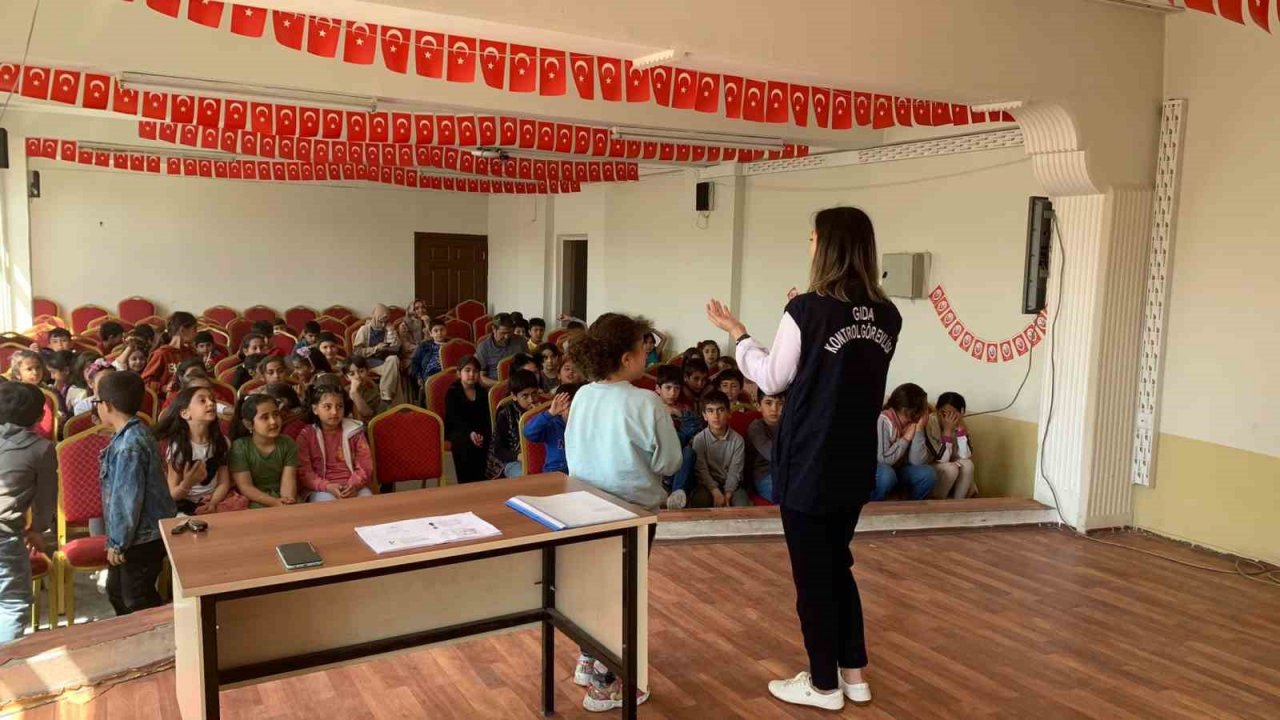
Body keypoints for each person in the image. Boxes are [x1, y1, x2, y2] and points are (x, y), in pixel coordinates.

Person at [706, 206, 902, 709]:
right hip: (855, 457)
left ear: (828, 245)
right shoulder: (888, 314)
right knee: (838, 565)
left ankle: (822, 684)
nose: (809, 244)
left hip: (810, 456)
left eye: (813, 237)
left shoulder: (808, 309)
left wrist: (740, 336)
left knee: (813, 576)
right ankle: (853, 674)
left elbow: (773, 378)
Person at [564, 313, 682, 711]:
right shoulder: (646, 402)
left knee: (594, 587)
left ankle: (588, 657)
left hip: (585, 506)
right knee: (622, 595)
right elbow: (669, 461)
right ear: (627, 358)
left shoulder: (583, 394)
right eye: (643, 348)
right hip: (631, 513)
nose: (648, 353)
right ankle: (607, 683)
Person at [96, 371, 178, 616]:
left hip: (140, 537)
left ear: (107, 405)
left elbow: (126, 500)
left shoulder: (128, 445)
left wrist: (118, 543)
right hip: (136, 534)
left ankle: (158, 633)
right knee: (117, 591)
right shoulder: (133, 434)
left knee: (137, 598)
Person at [0, 383, 57, 643]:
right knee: (12, 604)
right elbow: (46, 499)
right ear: (40, 415)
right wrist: (38, 529)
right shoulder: (40, 449)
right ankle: (6, 663)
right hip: (5, 535)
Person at [154, 386, 235, 515]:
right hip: (184, 501)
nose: (211, 403)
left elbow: (223, 482)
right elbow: (172, 494)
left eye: (212, 400)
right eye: (202, 400)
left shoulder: (221, 442)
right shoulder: (178, 447)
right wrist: (188, 483)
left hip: (215, 498)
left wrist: (213, 503)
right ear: (185, 413)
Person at [297, 384, 374, 502]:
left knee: (367, 501)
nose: (334, 412)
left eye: (339, 406)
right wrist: (328, 486)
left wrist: (353, 485)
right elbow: (305, 473)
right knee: (328, 504)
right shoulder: (306, 435)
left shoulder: (354, 432)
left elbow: (365, 466)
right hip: (321, 488)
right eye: (327, 407)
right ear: (315, 409)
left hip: (354, 486)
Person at [229, 394, 299, 508]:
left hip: (282, 498)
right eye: (265, 417)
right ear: (248, 424)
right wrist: (275, 502)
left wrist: (287, 501)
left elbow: (289, 480)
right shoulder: (240, 447)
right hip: (255, 500)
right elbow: (246, 487)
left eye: (276, 414)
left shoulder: (287, 443)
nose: (273, 421)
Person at [875, 383, 936, 501]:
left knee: (928, 474)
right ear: (907, 411)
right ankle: (873, 508)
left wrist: (918, 429)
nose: (926, 411)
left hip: (900, 470)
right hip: (882, 469)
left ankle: (911, 509)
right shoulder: (883, 420)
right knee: (887, 475)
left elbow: (916, 462)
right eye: (923, 407)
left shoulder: (914, 422)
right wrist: (906, 438)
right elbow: (883, 459)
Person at [690, 390, 748, 507]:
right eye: (710, 411)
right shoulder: (699, 439)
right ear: (705, 416)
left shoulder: (738, 440)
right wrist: (715, 491)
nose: (716, 416)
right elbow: (701, 470)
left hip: (733, 485)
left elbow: (735, 471)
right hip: (707, 485)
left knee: (742, 504)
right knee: (700, 501)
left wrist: (728, 493)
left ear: (729, 413)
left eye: (720, 410)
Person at [655, 364, 701, 510]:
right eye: (668, 388)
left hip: (680, 462)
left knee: (689, 451)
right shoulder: (651, 407)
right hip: (660, 456)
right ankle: (671, 487)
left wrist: (680, 415)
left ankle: (675, 494)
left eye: (677, 388)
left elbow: (696, 432)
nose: (673, 393)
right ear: (658, 389)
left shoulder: (684, 409)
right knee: (675, 438)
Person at [444, 355, 491, 483]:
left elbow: (486, 418)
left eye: (475, 371)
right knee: (465, 445)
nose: (471, 374)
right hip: (459, 430)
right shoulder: (452, 392)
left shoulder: (483, 392)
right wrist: (470, 433)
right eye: (467, 370)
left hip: (479, 430)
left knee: (487, 441)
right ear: (459, 373)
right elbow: (454, 419)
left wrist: (479, 434)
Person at [488, 369, 541, 478]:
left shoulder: (544, 409)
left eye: (534, 393)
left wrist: (541, 416)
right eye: (525, 396)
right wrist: (518, 456)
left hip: (541, 456)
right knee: (526, 477)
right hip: (513, 460)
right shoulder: (505, 414)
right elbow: (498, 449)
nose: (531, 400)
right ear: (514, 396)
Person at [351, 304, 404, 405]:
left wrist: (391, 331)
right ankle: (395, 403)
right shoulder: (364, 330)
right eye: (381, 321)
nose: (383, 324)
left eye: (385, 320)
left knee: (394, 359)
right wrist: (376, 348)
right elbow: (357, 351)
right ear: (374, 316)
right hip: (367, 362)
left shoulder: (387, 328)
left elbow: (396, 347)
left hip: (383, 361)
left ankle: (386, 396)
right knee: (394, 374)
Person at [925, 391, 976, 499]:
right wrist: (947, 431)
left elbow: (965, 455)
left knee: (968, 464)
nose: (948, 418)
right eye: (944, 413)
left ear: (961, 413)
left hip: (949, 463)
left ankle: (958, 503)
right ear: (937, 410)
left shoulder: (960, 424)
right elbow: (942, 459)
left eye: (953, 414)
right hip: (930, 465)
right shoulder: (929, 423)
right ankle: (938, 502)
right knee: (951, 469)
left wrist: (961, 430)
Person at [522, 383, 579, 474]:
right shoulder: (552, 424)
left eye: (577, 407)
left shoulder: (588, 425)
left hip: (580, 471)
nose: (573, 412)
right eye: (568, 407)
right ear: (559, 409)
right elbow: (528, 432)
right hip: (556, 470)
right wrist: (550, 413)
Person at [141, 312, 199, 394]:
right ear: (182, 330)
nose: (197, 333)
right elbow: (144, 382)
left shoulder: (191, 353)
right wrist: (163, 388)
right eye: (194, 329)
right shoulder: (162, 354)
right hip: (168, 400)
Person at [8, 351, 55, 441]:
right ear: (18, 374)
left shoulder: (50, 392)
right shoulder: (14, 395)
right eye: (29, 369)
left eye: (38, 367)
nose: (35, 372)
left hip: (46, 439)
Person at [748, 390, 784, 504]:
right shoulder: (756, 428)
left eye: (780, 404)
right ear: (759, 406)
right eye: (768, 403)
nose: (774, 409)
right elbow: (772, 454)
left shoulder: (789, 425)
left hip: (789, 471)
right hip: (765, 474)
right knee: (786, 498)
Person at [474, 314, 525, 387]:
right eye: (503, 333)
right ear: (494, 329)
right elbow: (481, 378)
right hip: (495, 385)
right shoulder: (484, 347)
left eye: (510, 332)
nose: (507, 337)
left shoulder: (521, 341)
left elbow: (528, 364)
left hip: (520, 383)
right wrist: (503, 384)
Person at [342, 356, 385, 422]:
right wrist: (354, 392)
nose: (358, 376)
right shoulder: (347, 392)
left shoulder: (371, 383)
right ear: (347, 377)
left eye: (361, 371)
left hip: (384, 413)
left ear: (367, 370)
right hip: (371, 422)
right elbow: (367, 414)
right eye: (352, 374)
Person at [408, 319, 448, 389]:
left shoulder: (452, 344)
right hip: (431, 373)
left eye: (442, 330)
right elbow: (415, 362)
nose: (439, 333)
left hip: (447, 371)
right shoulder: (424, 346)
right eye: (436, 331)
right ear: (430, 333)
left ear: (446, 331)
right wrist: (419, 376)